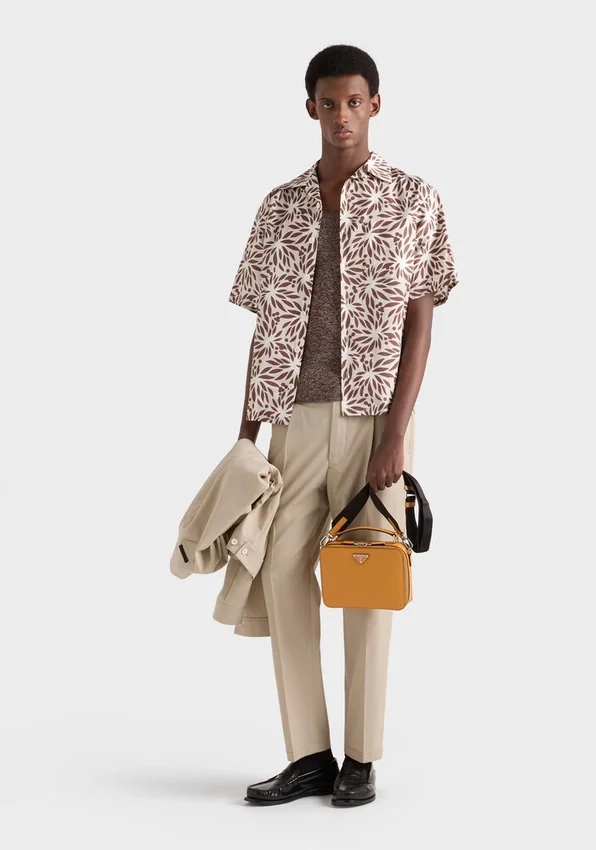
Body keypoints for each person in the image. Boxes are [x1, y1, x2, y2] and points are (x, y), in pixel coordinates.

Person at [228, 44, 459, 807]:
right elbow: (263, 330)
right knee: (280, 573)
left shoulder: (413, 198)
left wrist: (396, 433)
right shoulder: (278, 207)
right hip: (293, 420)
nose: (341, 117)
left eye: (354, 102)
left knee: (366, 580)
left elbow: (421, 322)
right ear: (310, 108)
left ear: (375, 105)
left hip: (373, 423)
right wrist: (246, 439)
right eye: (328, 104)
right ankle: (308, 756)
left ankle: (361, 758)